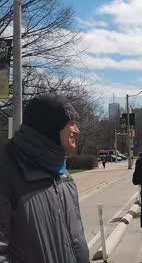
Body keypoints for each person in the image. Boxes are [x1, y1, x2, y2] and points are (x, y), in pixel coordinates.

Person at [0, 94, 89, 262]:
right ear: (51, 126)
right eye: (71, 123)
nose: (77, 130)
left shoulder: (63, 174)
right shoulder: (6, 173)